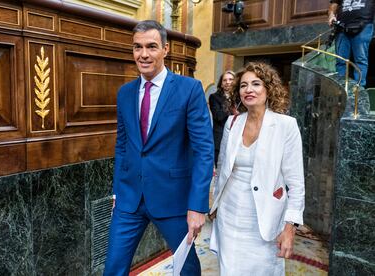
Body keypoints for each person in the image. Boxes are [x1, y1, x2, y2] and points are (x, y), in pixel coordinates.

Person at [104, 20, 214, 276]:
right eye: (137, 47)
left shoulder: (189, 89)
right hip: (129, 200)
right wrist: (117, 191)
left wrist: (197, 205)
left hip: (173, 199)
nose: (143, 54)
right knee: (113, 269)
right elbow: (122, 146)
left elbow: (204, 150)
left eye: (151, 47)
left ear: (165, 49)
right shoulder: (125, 93)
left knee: (187, 269)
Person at [209, 62, 305, 275]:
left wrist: (290, 228)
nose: (248, 90)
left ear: (268, 88)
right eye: (243, 85)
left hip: (265, 218)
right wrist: (215, 204)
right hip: (230, 214)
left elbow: (296, 184)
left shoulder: (286, 125)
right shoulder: (232, 123)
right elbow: (223, 166)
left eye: (256, 84)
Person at [328, 0, 374, 87]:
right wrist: (331, 15)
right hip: (342, 27)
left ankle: (358, 92)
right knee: (340, 60)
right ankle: (340, 90)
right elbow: (334, 3)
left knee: (360, 60)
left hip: (364, 25)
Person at [209, 70, 238, 167]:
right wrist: (231, 106)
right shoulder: (214, 97)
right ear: (221, 84)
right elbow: (218, 116)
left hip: (238, 138)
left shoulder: (241, 97)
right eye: (224, 80)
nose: (228, 82)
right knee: (220, 169)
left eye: (231, 79)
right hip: (220, 138)